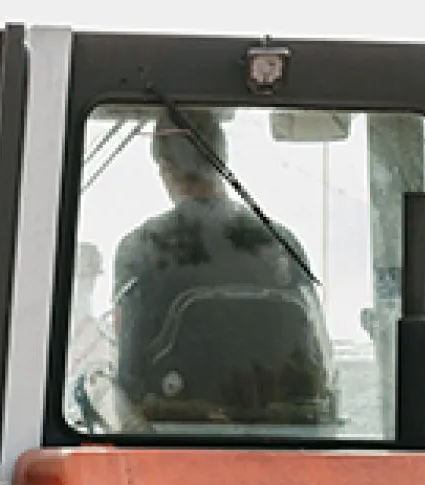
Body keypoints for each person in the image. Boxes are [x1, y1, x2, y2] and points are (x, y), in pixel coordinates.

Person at [110, 110, 333, 424]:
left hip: (172, 450)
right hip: (287, 442)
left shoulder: (143, 248)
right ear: (223, 157)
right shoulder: (282, 244)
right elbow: (320, 371)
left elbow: (129, 384)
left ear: (165, 168)